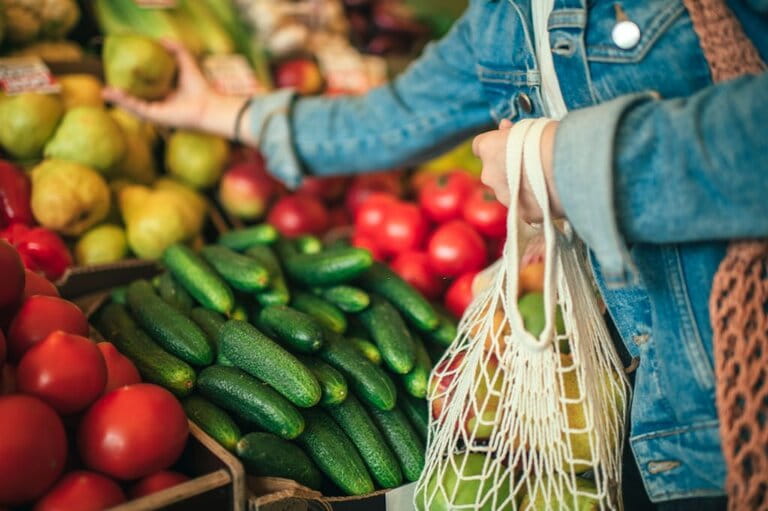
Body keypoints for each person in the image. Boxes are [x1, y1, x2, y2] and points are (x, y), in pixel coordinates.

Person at [105, 1, 768, 508]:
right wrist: (222, 113)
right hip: (650, 418)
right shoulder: (504, 16)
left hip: (739, 406)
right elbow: (392, 118)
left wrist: (570, 163)